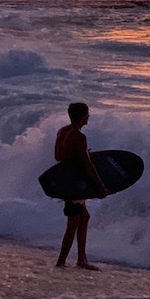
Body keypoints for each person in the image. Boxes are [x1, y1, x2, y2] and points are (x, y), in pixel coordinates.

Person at [54, 102, 109, 270]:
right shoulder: (80, 137)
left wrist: (78, 155)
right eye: (87, 114)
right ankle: (61, 262)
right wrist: (100, 185)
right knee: (73, 223)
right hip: (75, 185)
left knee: (84, 218)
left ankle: (81, 259)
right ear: (82, 116)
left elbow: (58, 157)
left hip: (66, 180)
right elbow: (87, 164)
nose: (89, 117)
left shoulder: (62, 132)